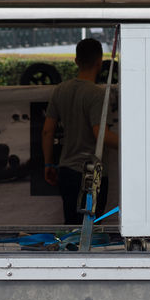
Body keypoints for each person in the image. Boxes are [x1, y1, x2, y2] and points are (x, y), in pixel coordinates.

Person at [41, 38, 119, 225]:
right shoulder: (98, 94)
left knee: (72, 230)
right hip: (92, 177)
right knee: (90, 232)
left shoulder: (60, 90)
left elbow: (47, 131)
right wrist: (134, 146)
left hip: (66, 171)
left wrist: (48, 165)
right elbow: (102, 135)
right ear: (100, 62)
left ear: (76, 61)